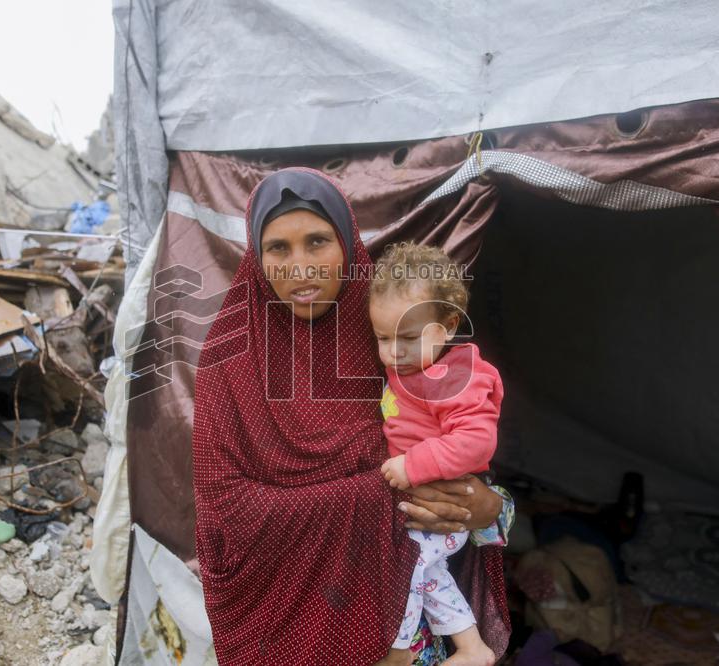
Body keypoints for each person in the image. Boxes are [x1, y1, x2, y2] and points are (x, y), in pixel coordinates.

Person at [192, 167, 511, 665]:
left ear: (346, 242)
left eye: (317, 241)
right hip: (291, 633)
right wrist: (381, 494)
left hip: (414, 633)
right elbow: (225, 514)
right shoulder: (229, 363)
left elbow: (463, 451)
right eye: (278, 248)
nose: (300, 267)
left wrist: (490, 510)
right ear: (255, 257)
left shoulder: (391, 334)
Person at [371, 242, 503, 666]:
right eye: (382, 338)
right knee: (429, 576)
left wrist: (413, 465)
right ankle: (472, 647)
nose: (394, 352)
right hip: (419, 508)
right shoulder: (409, 367)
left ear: (447, 326)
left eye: (408, 338)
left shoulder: (458, 377)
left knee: (405, 567)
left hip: (442, 507)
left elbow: (476, 441)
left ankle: (399, 651)